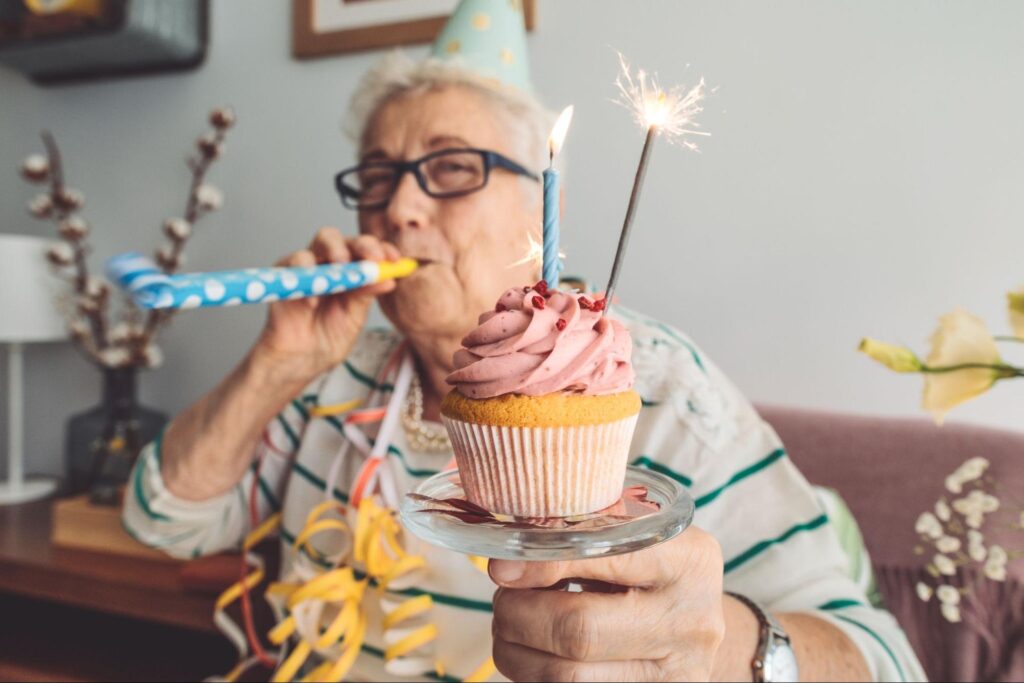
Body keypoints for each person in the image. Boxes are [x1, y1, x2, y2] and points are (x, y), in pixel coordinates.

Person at [124, 2, 926, 681]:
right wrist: (275, 365)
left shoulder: (653, 388)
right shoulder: (335, 371)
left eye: (453, 168)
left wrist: (721, 647)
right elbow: (164, 523)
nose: (398, 208)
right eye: (377, 175)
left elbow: (887, 659)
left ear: (546, 205)